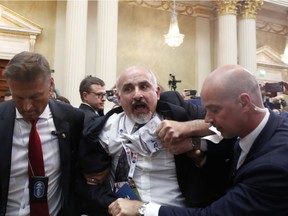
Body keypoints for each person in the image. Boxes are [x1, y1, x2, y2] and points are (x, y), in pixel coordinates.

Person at [108, 64, 288, 216]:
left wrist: (143, 209)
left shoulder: (273, 166)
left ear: (244, 103)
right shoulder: (256, 130)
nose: (207, 119)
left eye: (214, 110)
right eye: (128, 89)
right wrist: (197, 150)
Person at [78, 66, 234, 215]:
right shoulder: (103, 130)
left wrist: (188, 129)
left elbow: (228, 126)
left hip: (176, 211)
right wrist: (112, 205)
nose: (137, 95)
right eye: (128, 89)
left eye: (144, 87)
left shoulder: (177, 111)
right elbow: (91, 186)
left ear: (157, 92)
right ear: (118, 98)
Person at [0, 51, 85, 216]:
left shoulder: (72, 119)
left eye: (35, 97)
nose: (27, 107)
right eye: (18, 98)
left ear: (51, 85)